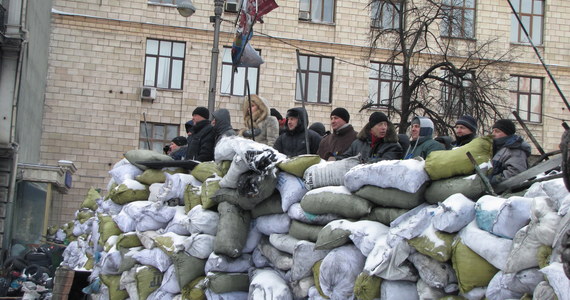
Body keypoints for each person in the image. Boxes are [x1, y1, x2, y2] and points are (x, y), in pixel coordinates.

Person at [489, 119, 531, 186]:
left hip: (504, 192)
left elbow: (515, 173)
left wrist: (491, 180)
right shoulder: (497, 148)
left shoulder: (515, 149)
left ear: (507, 133)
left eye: (497, 131)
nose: (493, 134)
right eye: (493, 131)